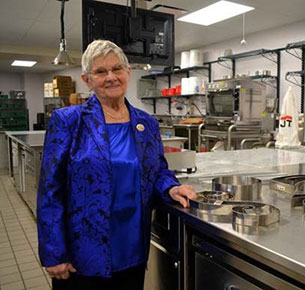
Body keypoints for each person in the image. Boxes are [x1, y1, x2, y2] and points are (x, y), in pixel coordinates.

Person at [37, 39, 197, 290]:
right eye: (101, 71)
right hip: (83, 253)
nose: (111, 77)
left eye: (117, 69)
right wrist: (54, 252)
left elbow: (157, 170)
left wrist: (171, 188)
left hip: (132, 247)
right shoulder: (68, 121)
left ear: (128, 73)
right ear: (87, 79)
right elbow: (50, 189)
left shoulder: (147, 123)